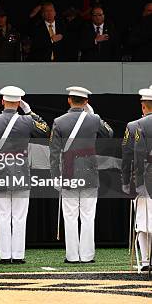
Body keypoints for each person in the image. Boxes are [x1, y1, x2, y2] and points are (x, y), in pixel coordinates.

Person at [0, 86, 50, 264]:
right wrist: (30, 112)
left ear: (2, 101)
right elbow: (45, 130)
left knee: (3, 216)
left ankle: (5, 256)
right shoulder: (27, 121)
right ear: (19, 103)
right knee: (20, 216)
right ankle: (18, 256)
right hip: (21, 171)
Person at [49, 87, 113, 263]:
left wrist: (55, 175)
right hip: (89, 173)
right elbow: (109, 133)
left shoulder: (59, 121)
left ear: (69, 100)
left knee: (69, 216)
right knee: (87, 216)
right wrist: (93, 114)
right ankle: (86, 255)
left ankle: (71, 256)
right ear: (86, 101)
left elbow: (54, 152)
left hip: (68, 172)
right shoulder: (94, 119)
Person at [132, 87, 152, 271]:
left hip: (146, 180)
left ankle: (146, 262)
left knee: (144, 223)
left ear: (143, 106)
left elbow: (136, 156)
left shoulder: (136, 125)